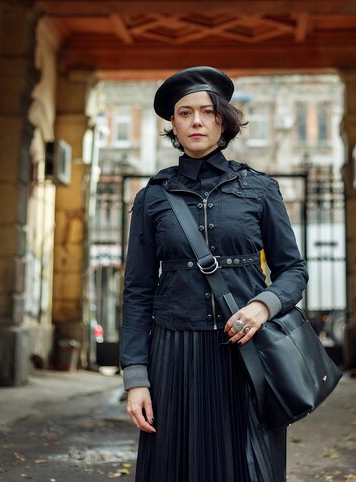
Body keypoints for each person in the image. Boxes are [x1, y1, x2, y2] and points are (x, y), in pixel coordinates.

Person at [120, 66, 308, 482]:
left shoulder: (259, 189)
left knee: (248, 467)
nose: (197, 121)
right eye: (185, 113)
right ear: (173, 124)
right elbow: (136, 290)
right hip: (173, 355)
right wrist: (136, 378)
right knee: (175, 468)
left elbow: (293, 270)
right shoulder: (152, 197)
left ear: (223, 119)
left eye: (207, 111)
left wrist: (263, 306)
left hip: (247, 353)